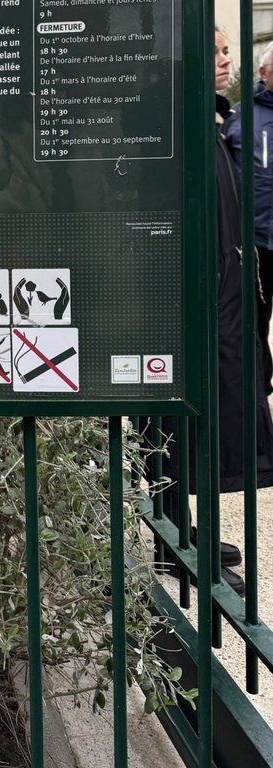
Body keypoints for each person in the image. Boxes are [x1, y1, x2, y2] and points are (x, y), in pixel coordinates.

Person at [153, 31, 273, 596]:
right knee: (175, 419)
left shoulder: (212, 123)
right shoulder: (176, 128)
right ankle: (169, 547)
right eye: (218, 49)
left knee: (202, 417)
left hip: (222, 296)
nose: (228, 59)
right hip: (183, 306)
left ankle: (180, 530)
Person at [224, 39, 273, 395]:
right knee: (256, 322)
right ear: (264, 73)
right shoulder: (240, 118)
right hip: (257, 241)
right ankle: (260, 396)